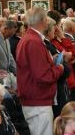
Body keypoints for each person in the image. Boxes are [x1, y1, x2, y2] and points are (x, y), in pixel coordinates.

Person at [16, 7, 64, 135]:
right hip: (37, 101)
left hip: (35, 99)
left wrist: (50, 62)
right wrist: (58, 69)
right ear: (43, 20)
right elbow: (43, 76)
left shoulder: (29, 38)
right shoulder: (33, 41)